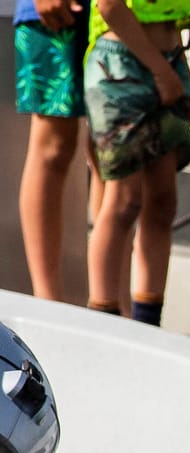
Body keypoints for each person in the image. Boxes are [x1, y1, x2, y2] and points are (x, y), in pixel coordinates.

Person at [83, 0, 190, 325]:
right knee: (124, 200)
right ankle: (104, 319)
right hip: (121, 65)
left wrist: (170, 69)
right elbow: (110, 6)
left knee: (163, 201)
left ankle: (148, 322)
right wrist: (161, 71)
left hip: (170, 59)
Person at [12, 0, 89, 301]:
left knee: (112, 155)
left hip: (128, 19)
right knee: (53, 148)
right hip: (56, 15)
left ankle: (111, 306)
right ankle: (47, 301)